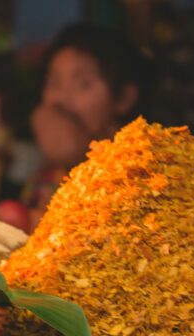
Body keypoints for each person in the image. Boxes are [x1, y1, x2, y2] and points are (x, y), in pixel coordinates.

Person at [22, 23, 153, 223]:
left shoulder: (138, 178)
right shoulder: (45, 176)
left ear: (124, 98)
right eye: (53, 82)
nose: (61, 98)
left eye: (83, 84)